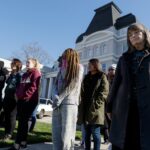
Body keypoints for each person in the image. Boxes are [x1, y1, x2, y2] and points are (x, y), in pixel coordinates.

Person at [107, 23, 150, 150]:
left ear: (144, 34)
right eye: (130, 35)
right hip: (125, 106)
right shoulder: (124, 59)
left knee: (143, 141)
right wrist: (109, 106)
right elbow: (116, 83)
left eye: (136, 32)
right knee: (125, 141)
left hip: (146, 107)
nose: (133, 36)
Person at [52, 48, 84, 150]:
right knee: (56, 134)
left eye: (65, 55)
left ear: (71, 56)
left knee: (67, 134)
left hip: (69, 103)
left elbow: (72, 85)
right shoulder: (61, 69)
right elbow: (55, 84)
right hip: (57, 104)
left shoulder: (79, 67)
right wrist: (55, 95)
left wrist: (60, 98)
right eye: (62, 56)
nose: (63, 57)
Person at [8, 58, 41, 150]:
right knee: (23, 122)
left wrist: (25, 97)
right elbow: (20, 87)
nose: (26, 63)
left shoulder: (36, 73)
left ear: (34, 64)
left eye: (28, 62)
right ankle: (23, 142)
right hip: (21, 100)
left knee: (22, 123)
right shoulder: (25, 74)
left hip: (29, 100)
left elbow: (34, 87)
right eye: (26, 62)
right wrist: (17, 95)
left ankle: (17, 144)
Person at [78, 58, 109, 150]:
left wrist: (96, 104)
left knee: (95, 133)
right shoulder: (86, 77)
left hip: (95, 109)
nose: (88, 66)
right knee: (87, 133)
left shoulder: (102, 76)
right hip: (85, 108)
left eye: (90, 64)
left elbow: (104, 92)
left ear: (95, 65)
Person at [3, 58, 22, 140]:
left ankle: (9, 134)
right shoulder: (11, 75)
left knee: (12, 116)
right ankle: (6, 132)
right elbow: (7, 83)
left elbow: (19, 87)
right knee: (6, 115)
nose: (11, 65)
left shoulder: (19, 76)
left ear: (17, 66)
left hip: (14, 98)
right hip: (7, 96)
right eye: (11, 64)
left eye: (13, 64)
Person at [101, 64, 117, 144]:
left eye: (112, 69)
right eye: (109, 69)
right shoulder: (105, 79)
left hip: (115, 105)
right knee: (105, 123)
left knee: (113, 123)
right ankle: (107, 139)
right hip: (105, 104)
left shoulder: (118, 79)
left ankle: (113, 139)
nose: (110, 71)